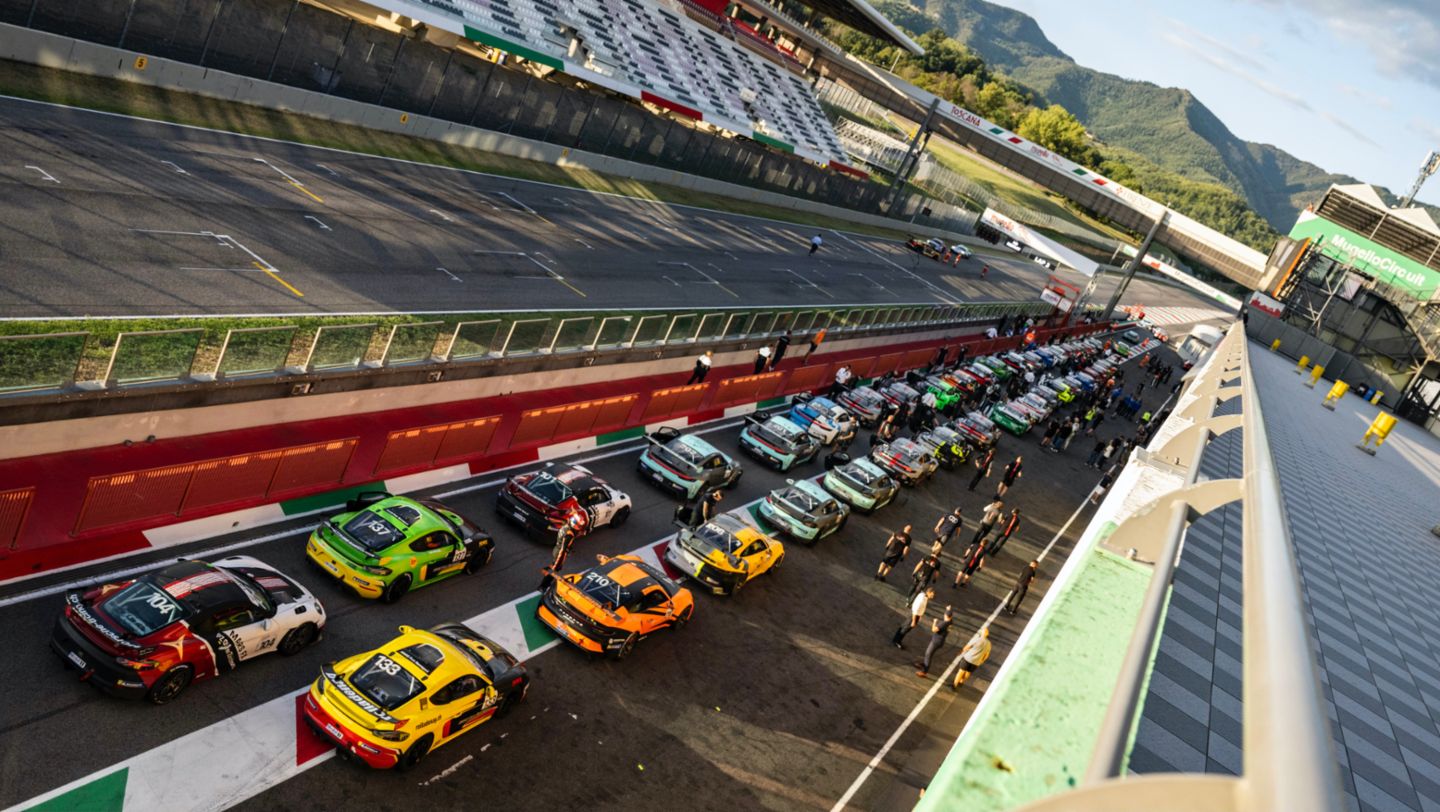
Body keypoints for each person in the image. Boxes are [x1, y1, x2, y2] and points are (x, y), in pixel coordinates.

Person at [915, 606, 954, 677]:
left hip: (936, 641)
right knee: (928, 654)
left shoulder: (944, 624)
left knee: (928, 654)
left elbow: (934, 629)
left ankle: (924, 671)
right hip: (940, 641)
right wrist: (948, 609)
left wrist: (934, 622)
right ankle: (924, 664)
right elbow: (949, 614)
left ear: (945, 615)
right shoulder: (951, 622)